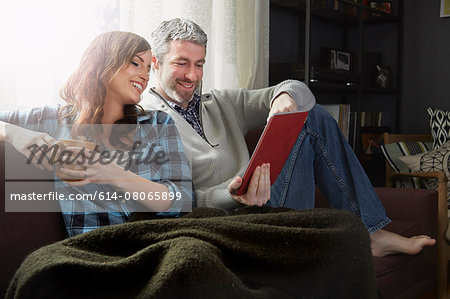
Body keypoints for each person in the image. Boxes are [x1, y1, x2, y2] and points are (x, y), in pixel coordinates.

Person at [140, 18, 435, 257]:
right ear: (155, 62)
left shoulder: (219, 103)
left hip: (270, 203)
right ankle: (362, 235)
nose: (192, 75)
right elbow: (176, 203)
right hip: (229, 222)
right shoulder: (147, 121)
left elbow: (298, 89)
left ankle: (371, 232)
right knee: (312, 118)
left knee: (313, 114)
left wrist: (282, 96)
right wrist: (231, 195)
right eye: (181, 63)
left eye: (199, 64)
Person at [0, 31, 193, 237]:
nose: (145, 76)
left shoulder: (158, 123)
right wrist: (15, 134)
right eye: (136, 63)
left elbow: (183, 200)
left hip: (158, 239)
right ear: (103, 63)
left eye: (148, 69)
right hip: (93, 249)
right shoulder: (52, 120)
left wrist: (114, 174)